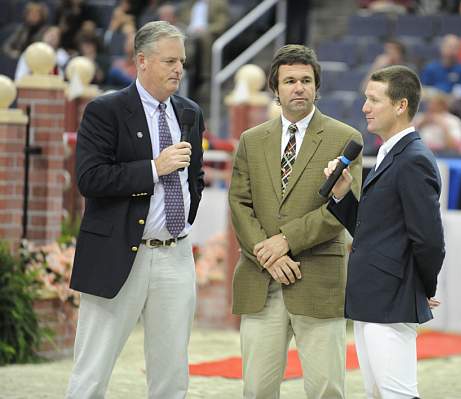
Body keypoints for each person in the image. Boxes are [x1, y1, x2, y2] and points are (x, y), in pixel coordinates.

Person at [65, 21, 205, 398]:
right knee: (92, 370)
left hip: (175, 254)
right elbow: (90, 179)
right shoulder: (105, 110)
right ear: (142, 61)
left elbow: (196, 176)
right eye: (170, 61)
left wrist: (184, 220)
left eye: (182, 62)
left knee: (172, 373)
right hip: (118, 253)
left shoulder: (190, 112)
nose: (179, 69)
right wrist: (153, 168)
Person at [228, 44, 363, 399]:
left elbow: (341, 208)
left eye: (306, 80)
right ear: (276, 88)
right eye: (289, 81)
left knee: (327, 390)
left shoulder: (345, 138)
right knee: (256, 389)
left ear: (317, 87)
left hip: (319, 283)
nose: (298, 87)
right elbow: (240, 205)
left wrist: (284, 241)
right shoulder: (251, 141)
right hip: (262, 280)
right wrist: (268, 254)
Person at [325, 65, 445, 399]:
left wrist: (421, 286)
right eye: (366, 99)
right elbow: (373, 232)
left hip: (391, 299)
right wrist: (341, 195)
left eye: (374, 100)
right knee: (378, 393)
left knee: (397, 394)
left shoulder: (412, 159)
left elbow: (429, 239)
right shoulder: (391, 154)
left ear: (400, 105)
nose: (365, 107)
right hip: (374, 298)